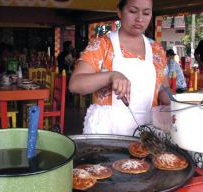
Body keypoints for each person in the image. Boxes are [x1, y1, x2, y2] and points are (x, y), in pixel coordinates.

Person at [69, 0, 170, 135]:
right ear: (119, 12)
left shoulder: (157, 50)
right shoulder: (102, 45)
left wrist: (182, 104)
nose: (140, 18)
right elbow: (75, 84)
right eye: (133, 11)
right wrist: (111, 76)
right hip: (107, 130)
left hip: (147, 131)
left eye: (146, 13)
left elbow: (163, 88)